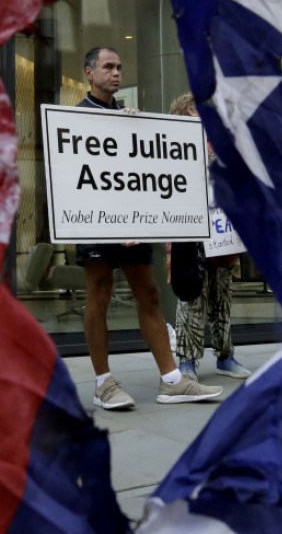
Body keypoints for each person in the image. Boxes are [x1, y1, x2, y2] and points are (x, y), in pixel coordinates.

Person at [75, 47, 223, 410]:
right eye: (108, 67)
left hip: (133, 222)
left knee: (151, 294)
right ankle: (103, 383)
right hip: (97, 223)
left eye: (119, 66)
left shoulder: (128, 117)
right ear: (89, 73)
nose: (116, 72)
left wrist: (136, 128)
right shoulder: (75, 117)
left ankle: (172, 379)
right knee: (100, 292)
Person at [169, 93, 251, 380]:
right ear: (184, 113)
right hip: (191, 234)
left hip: (222, 231)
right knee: (191, 297)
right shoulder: (173, 144)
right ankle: (187, 360)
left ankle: (225, 355)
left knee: (222, 296)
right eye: (195, 110)